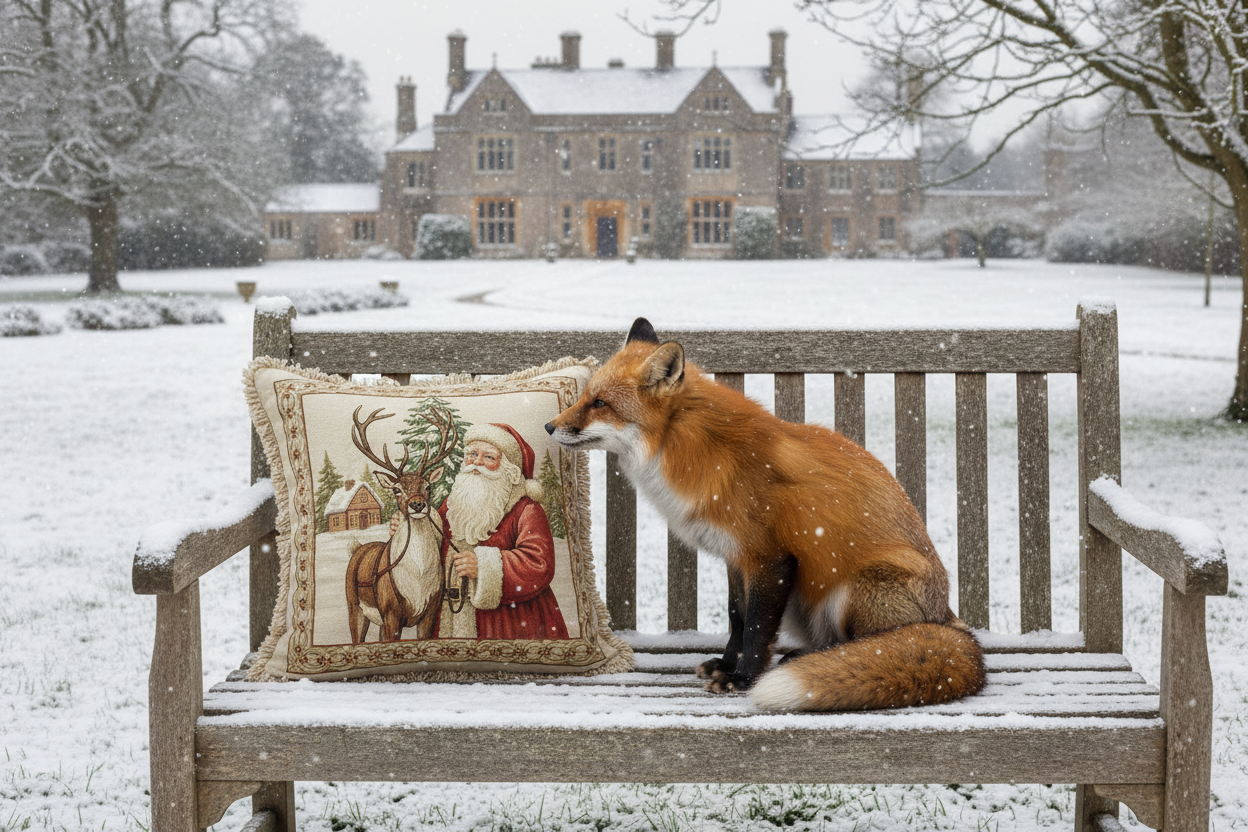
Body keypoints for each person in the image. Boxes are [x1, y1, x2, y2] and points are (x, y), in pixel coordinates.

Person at [435, 423, 569, 640]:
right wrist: (411, 527)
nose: (477, 462)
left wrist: (484, 566)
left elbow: (539, 563)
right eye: (472, 454)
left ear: (510, 469)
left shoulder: (527, 509)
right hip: (451, 615)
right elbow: (434, 539)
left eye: (489, 457)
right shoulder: (453, 503)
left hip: (511, 620)